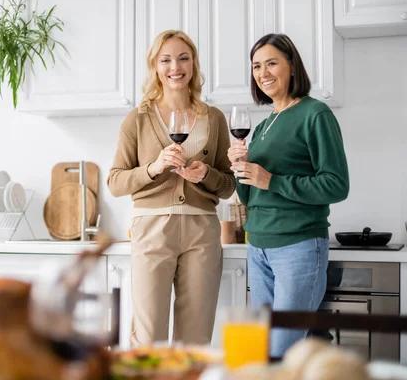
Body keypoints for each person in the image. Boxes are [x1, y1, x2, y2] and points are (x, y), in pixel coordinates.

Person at [107, 29, 236, 347]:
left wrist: (206, 174)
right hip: (152, 227)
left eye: (183, 58)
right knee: (149, 334)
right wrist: (154, 168)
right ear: (155, 66)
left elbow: (228, 185)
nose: (175, 67)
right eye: (166, 59)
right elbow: (115, 181)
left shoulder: (215, 118)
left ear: (194, 64)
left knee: (196, 336)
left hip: (202, 230)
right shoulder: (137, 118)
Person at [228, 33, 350, 357]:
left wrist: (273, 181)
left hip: (298, 247)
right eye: (256, 66)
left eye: (271, 63)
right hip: (258, 247)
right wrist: (240, 168)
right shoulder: (265, 123)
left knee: (283, 352)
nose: (263, 73)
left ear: (292, 66)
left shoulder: (315, 114)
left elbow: (337, 184)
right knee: (264, 354)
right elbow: (252, 197)